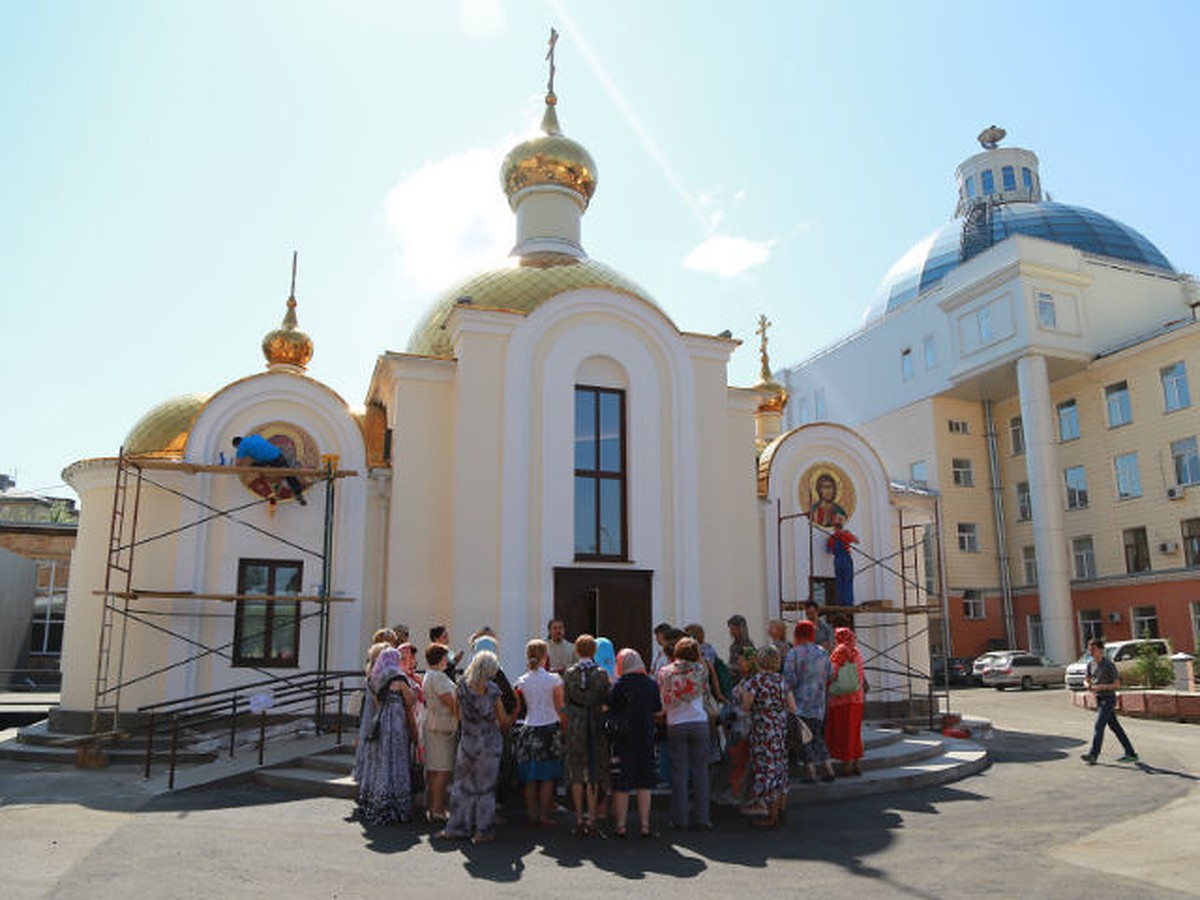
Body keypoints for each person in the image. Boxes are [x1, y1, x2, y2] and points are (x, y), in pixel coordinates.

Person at [438, 650, 509, 844]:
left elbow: (457, 715)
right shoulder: (493, 690)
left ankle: (457, 827)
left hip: (469, 741)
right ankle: (482, 831)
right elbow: (502, 719)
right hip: (489, 743)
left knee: (463, 785)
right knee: (485, 788)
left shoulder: (460, 687)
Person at [355, 646, 416, 824]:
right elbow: (410, 700)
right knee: (396, 760)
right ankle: (395, 805)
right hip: (395, 724)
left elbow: (377, 701)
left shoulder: (377, 677)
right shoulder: (398, 676)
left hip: (380, 721)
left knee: (381, 762)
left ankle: (377, 802)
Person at [657, 636, 713, 830]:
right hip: (699, 722)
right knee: (700, 772)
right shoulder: (700, 670)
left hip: (676, 722)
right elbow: (705, 689)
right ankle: (703, 818)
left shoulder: (665, 672)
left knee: (679, 772)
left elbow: (662, 696)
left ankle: (680, 819)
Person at [739, 645, 796, 827]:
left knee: (767, 769)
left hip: (763, 729)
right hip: (780, 729)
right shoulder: (782, 681)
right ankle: (780, 810)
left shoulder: (755, 681)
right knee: (780, 768)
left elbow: (746, 706)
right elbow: (792, 707)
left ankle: (771, 816)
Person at [607, 649, 661, 839]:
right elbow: (657, 709)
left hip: (623, 738)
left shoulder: (619, 685)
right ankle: (645, 826)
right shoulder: (651, 684)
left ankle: (621, 826)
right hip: (645, 737)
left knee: (622, 783)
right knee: (644, 783)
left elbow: (610, 708)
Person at [513, 639, 565, 827]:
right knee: (547, 776)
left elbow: (518, 708)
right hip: (549, 728)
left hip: (529, 729)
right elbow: (560, 707)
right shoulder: (554, 679)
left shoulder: (521, 681)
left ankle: (532, 814)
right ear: (545, 656)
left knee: (530, 776)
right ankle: (544, 815)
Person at [562, 634, 611, 836]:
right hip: (595, 725)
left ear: (577, 651)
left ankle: (579, 818)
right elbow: (606, 700)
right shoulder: (601, 674)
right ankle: (592, 819)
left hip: (576, 725)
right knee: (594, 771)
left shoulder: (569, 673)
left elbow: (566, 701)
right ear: (594, 651)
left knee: (576, 772)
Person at [784, 620, 836, 783]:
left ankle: (812, 774)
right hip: (819, 704)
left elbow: (788, 679)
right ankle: (829, 770)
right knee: (818, 738)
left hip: (800, 704)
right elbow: (831, 675)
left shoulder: (794, 653)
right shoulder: (822, 652)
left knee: (804, 740)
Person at [1081, 638, 1139, 765]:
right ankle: (1131, 753)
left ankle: (1093, 754)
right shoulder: (1090, 664)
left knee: (1099, 726)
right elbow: (1086, 679)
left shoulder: (1108, 665)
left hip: (1108, 699)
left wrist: (1101, 687)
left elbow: (1117, 684)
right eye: (1089, 649)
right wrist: (1087, 684)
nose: (1090, 651)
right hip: (1099, 698)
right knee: (1115, 727)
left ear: (1100, 650)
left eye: (1093, 649)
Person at [422, 643, 458, 822]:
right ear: (440, 658)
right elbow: (450, 701)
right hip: (442, 726)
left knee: (434, 768)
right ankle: (438, 809)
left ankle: (433, 807)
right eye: (446, 656)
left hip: (432, 723)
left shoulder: (429, 674)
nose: (448, 659)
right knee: (442, 769)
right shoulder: (439, 677)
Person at [826, 626, 866, 776]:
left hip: (843, 699)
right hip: (858, 699)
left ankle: (847, 766)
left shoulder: (840, 651)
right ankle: (857, 764)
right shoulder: (856, 652)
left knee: (845, 733)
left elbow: (833, 672)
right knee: (855, 733)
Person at [352, 640, 391, 784]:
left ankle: (364, 778)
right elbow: (378, 699)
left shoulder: (371, 672)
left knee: (367, 747)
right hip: (375, 714)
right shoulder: (379, 674)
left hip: (369, 714)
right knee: (374, 748)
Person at [231, 434, 307, 505]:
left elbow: (238, 464)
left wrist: (235, 467)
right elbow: (262, 447)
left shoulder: (242, 447)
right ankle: (298, 493)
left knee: (253, 467)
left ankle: (296, 493)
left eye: (237, 447)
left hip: (268, 460)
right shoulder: (255, 436)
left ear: (237, 444)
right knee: (288, 474)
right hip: (278, 455)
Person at [827, 525, 859, 606]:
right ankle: (848, 602)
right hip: (845, 559)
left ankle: (841, 602)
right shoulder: (845, 535)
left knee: (839, 582)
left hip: (837, 560)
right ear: (841, 528)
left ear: (834, 529)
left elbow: (829, 550)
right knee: (848, 581)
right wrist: (849, 534)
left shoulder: (831, 538)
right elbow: (857, 541)